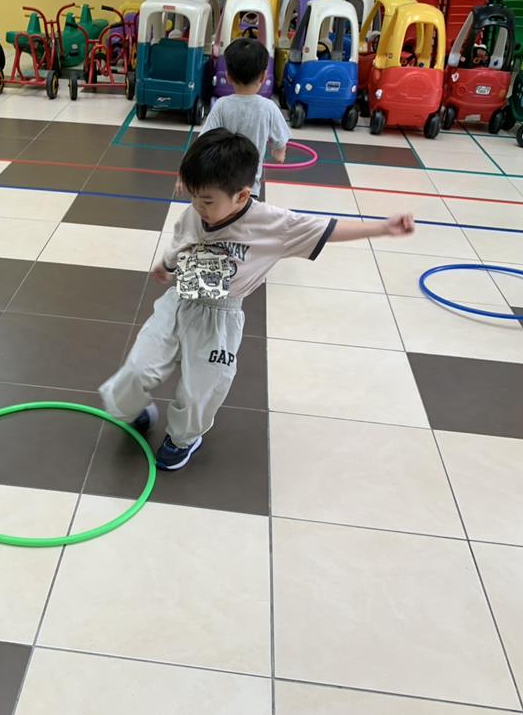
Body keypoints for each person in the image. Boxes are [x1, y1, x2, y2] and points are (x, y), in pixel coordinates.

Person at [99, 129, 415, 471]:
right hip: (179, 300)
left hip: (219, 318)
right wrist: (166, 266)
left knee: (201, 390)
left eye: (207, 201)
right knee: (136, 369)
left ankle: (183, 438)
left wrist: (382, 228)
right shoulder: (194, 213)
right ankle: (134, 409)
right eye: (193, 197)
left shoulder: (273, 224)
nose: (198, 207)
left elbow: (325, 228)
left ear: (241, 195)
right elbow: (180, 243)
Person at [200, 37, 289, 199]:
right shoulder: (269, 107)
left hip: (221, 184)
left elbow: (204, 140)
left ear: (228, 77)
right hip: (248, 188)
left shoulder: (221, 105)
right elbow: (281, 142)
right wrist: (279, 153)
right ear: (263, 77)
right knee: (246, 213)